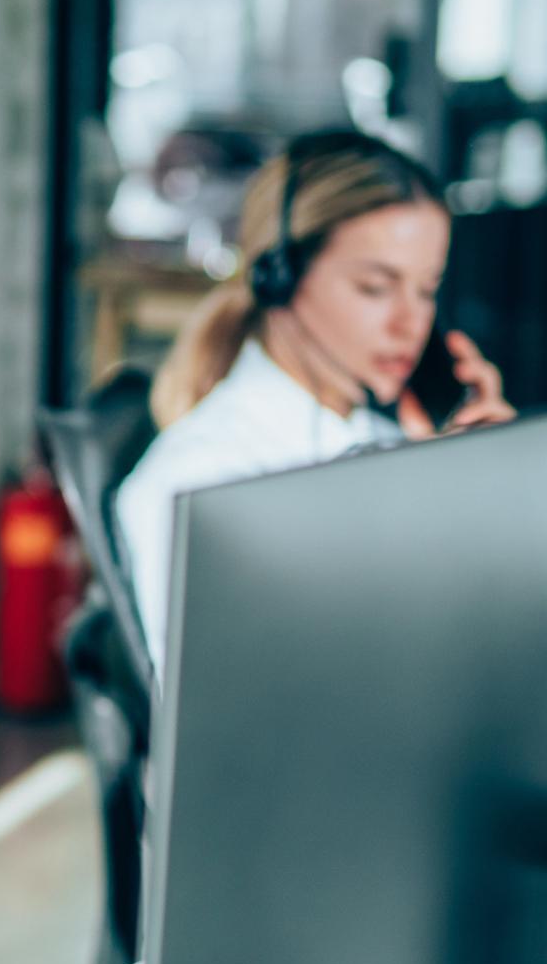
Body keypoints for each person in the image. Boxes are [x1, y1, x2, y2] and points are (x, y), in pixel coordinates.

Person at [116, 130, 515, 681]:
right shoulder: (198, 480)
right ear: (278, 276)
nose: (411, 323)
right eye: (375, 287)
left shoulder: (391, 445)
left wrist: (497, 504)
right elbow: (231, 727)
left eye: (427, 291)